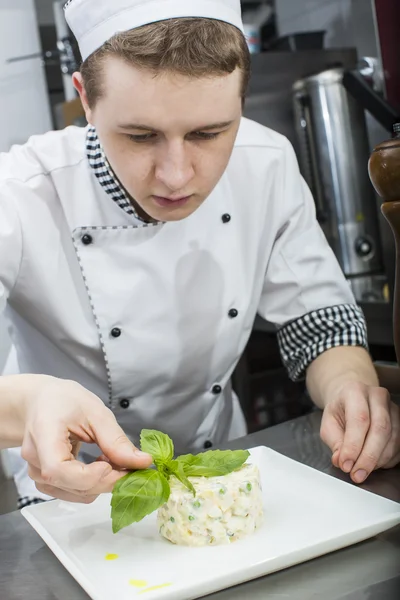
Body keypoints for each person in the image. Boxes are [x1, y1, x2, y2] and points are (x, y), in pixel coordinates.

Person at [0, 0, 399, 507]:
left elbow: (316, 318)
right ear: (86, 99)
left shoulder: (267, 162)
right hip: (68, 494)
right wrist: (27, 404)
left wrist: (350, 389)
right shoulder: (19, 190)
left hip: (215, 472)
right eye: (140, 135)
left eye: (209, 133)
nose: (177, 175)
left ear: (243, 98)